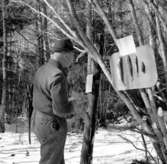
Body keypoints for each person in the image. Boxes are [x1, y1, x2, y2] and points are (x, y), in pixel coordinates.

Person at [32, 38, 76, 164]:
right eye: (72, 55)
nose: (73, 59)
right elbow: (61, 110)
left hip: (38, 118)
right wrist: (75, 104)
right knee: (51, 160)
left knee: (53, 158)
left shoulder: (42, 69)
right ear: (65, 54)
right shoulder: (57, 75)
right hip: (51, 123)